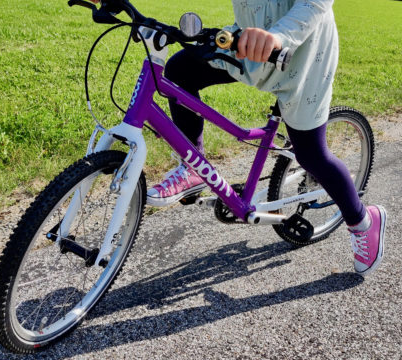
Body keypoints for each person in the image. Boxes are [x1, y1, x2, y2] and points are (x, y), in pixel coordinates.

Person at [146, 0, 387, 276]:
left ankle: (363, 222)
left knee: (310, 154)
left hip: (303, 54)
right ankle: (192, 169)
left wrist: (279, 36)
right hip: (251, 41)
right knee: (180, 71)